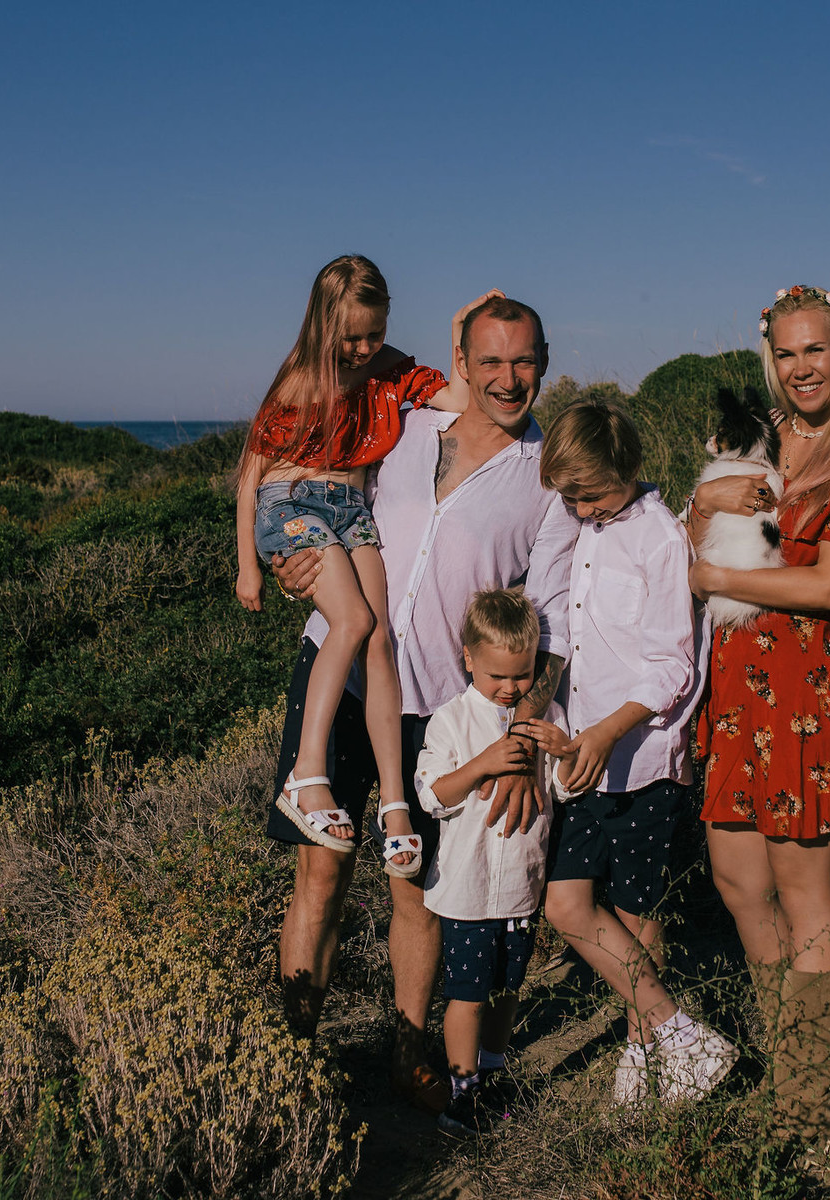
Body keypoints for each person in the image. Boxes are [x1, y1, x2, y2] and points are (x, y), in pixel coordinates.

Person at [266, 294, 578, 1112]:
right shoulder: (400, 422)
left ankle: (409, 1055)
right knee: (320, 874)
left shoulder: (549, 478)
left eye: (524, 362)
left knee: (419, 890)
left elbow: (549, 630)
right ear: (464, 363)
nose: (509, 380)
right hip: (335, 672)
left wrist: (519, 746)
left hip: (438, 706)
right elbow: (312, 482)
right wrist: (285, 557)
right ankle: (294, 1061)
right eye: (492, 362)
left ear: (543, 362)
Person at [686, 285, 830, 1138]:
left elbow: (828, 584)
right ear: (769, 359)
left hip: (806, 690)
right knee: (739, 882)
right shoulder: (753, 437)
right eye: (786, 353)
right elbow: (687, 534)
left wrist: (719, 580)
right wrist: (704, 506)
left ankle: (805, 1105)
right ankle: (790, 1069)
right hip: (735, 685)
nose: (801, 367)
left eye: (815, 350)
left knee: (804, 888)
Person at [528, 400, 736, 1105]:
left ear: (627, 471)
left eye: (590, 493)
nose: (579, 507)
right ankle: (678, 1032)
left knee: (640, 909)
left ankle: (646, 1053)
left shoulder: (658, 539)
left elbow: (671, 666)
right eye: (568, 494)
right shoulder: (577, 525)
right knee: (565, 905)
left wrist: (607, 731)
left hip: (641, 757)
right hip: (579, 754)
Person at [235, 255, 446, 879]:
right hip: (293, 502)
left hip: (350, 507)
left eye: (372, 333)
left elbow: (452, 392)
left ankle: (395, 802)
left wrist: (466, 327)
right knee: (351, 623)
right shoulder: (301, 382)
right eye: (348, 336)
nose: (361, 348)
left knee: (380, 639)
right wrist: (248, 564)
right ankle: (306, 775)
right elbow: (251, 474)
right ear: (323, 326)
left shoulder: (388, 365)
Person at [414, 588, 576, 1136]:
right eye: (498, 678)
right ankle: (462, 1090)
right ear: (468, 659)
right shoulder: (451, 722)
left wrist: (565, 750)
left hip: (519, 888)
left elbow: (566, 790)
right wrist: (482, 763)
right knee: (466, 992)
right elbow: (432, 795)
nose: (511, 689)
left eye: (524, 675)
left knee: (507, 986)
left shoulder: (546, 716)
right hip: (467, 889)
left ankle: (494, 1066)